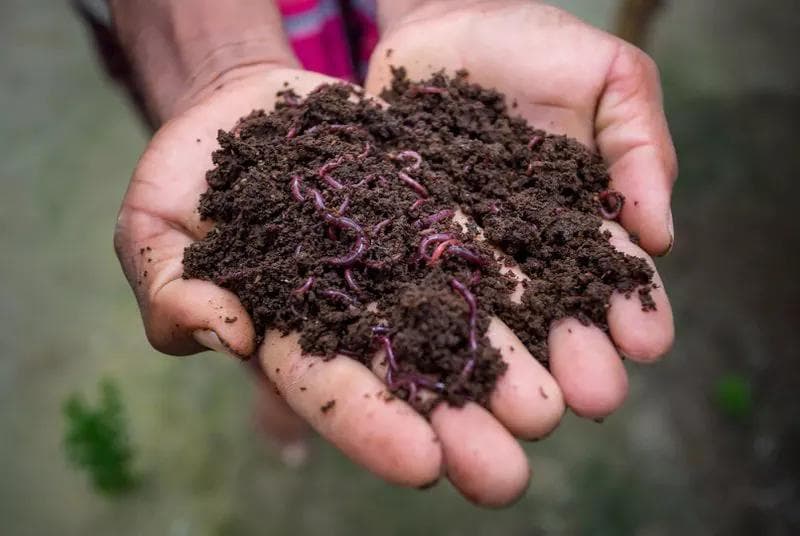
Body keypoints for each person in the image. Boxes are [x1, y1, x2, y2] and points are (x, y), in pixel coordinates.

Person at [98, 0, 676, 507]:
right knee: (251, 300)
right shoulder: (277, 172)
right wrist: (218, 63)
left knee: (264, 306)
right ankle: (267, 387)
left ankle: (272, 392)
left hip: (385, 45)